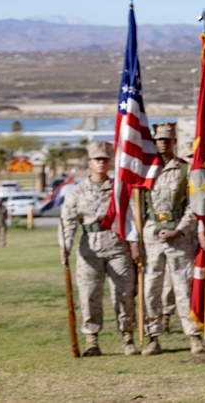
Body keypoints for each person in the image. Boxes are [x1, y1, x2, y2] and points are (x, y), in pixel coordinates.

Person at [58, 141, 139, 357]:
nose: (101, 163)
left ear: (110, 162)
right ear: (90, 163)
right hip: (89, 249)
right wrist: (65, 245)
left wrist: (134, 244)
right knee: (89, 294)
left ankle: (128, 338)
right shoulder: (77, 192)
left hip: (117, 246)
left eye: (105, 159)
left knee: (124, 294)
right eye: (97, 159)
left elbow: (132, 217)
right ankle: (91, 340)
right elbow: (67, 221)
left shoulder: (119, 189)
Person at [140, 123, 203, 355]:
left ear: (174, 141)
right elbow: (137, 206)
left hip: (178, 236)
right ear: (154, 142)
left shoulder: (185, 169)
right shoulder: (145, 170)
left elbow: (194, 204)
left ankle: (194, 336)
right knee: (151, 289)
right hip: (152, 236)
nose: (163, 143)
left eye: (167, 139)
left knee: (183, 288)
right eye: (159, 140)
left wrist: (180, 230)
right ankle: (153, 337)